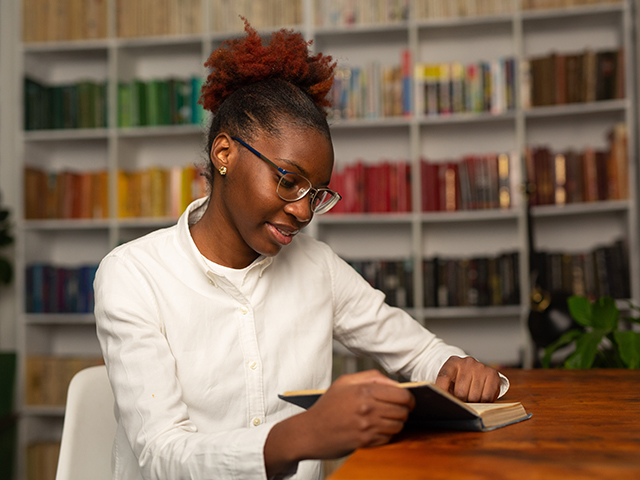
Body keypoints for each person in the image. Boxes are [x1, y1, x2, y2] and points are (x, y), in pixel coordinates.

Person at [94, 20, 508, 480]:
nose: (304, 212)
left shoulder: (317, 267)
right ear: (224, 153)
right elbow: (162, 455)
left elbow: (418, 353)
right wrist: (305, 435)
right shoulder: (133, 275)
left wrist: (455, 366)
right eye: (289, 182)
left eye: (316, 194)